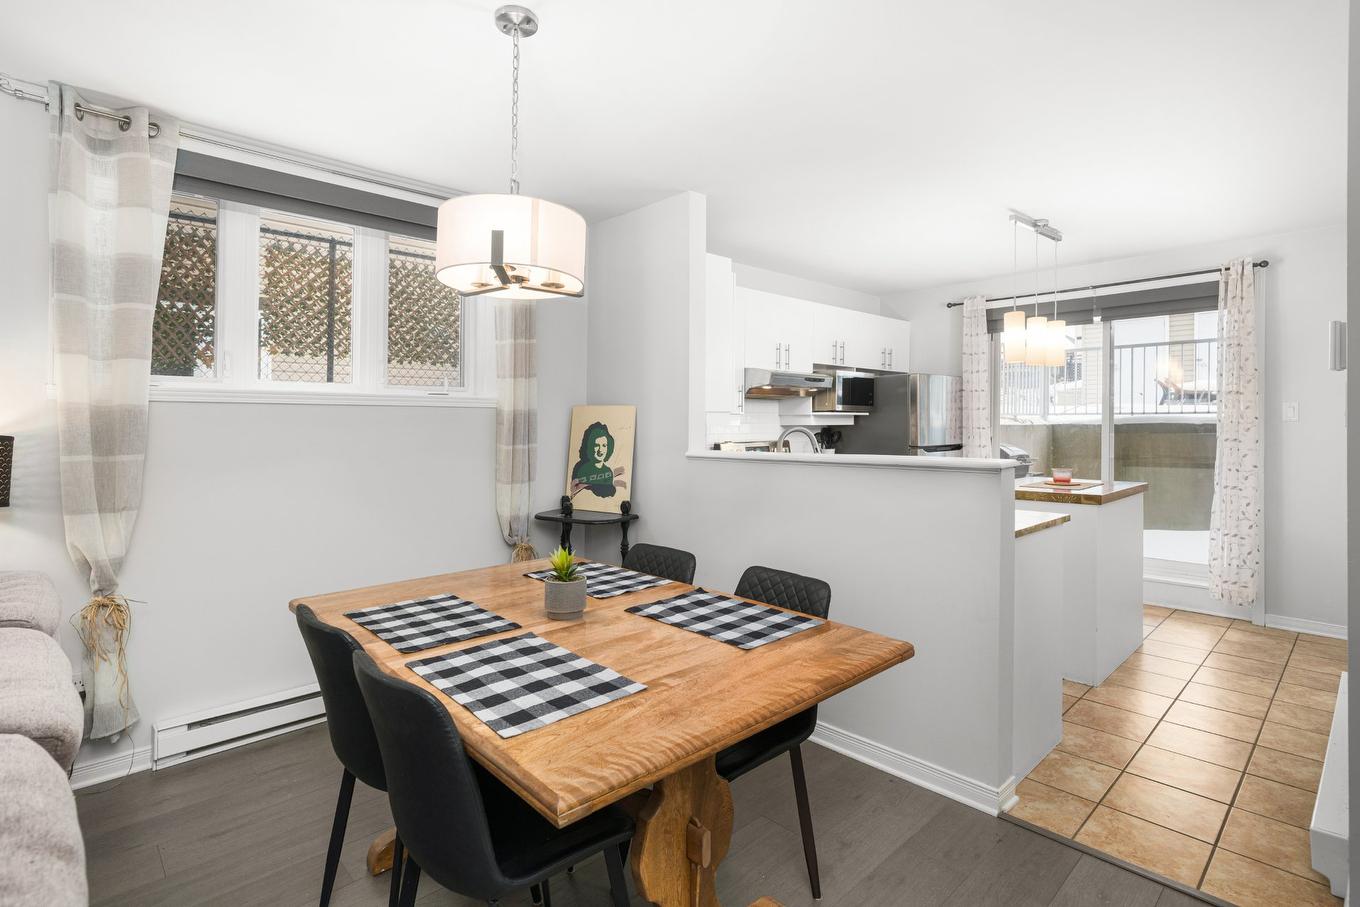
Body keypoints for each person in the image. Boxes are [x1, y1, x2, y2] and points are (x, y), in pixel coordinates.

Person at [570, 421, 625, 498]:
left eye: (604, 445)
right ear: (590, 446)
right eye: (596, 445)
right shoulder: (581, 469)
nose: (600, 450)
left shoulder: (607, 471)